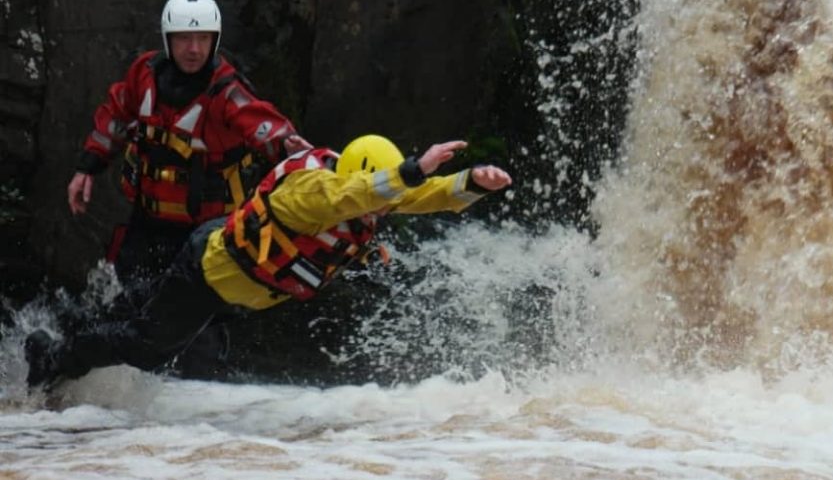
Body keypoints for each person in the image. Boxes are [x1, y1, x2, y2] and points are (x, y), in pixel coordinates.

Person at [25, 135, 512, 387]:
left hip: (226, 280)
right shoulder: (314, 192)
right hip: (210, 272)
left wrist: (471, 182)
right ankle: (54, 359)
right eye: (385, 193)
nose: (386, 210)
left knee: (141, 310)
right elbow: (357, 193)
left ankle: (67, 328)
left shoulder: (371, 198)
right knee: (150, 344)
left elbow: (419, 195)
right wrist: (411, 169)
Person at [68, 0, 309, 304]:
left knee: (193, 312)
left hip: (204, 233)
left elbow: (266, 127)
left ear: (215, 40)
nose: (194, 49)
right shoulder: (145, 73)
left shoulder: (227, 93)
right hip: (147, 220)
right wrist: (87, 167)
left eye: (203, 38)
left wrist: (293, 150)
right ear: (168, 40)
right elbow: (115, 114)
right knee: (127, 297)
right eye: (183, 38)